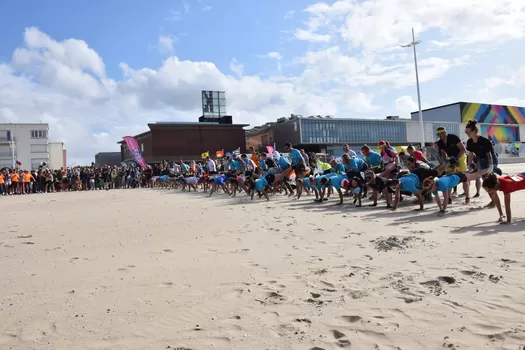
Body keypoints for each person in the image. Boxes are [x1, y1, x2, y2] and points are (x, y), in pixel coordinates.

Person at [465, 120, 495, 199]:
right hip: (480, 159)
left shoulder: (484, 140)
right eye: (466, 132)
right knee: (479, 177)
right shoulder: (469, 142)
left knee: (487, 180)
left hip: (490, 159)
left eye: (468, 131)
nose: (467, 133)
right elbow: (470, 154)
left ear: (475, 131)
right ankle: (491, 199)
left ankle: (494, 201)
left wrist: (491, 166)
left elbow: (489, 155)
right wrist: (469, 165)